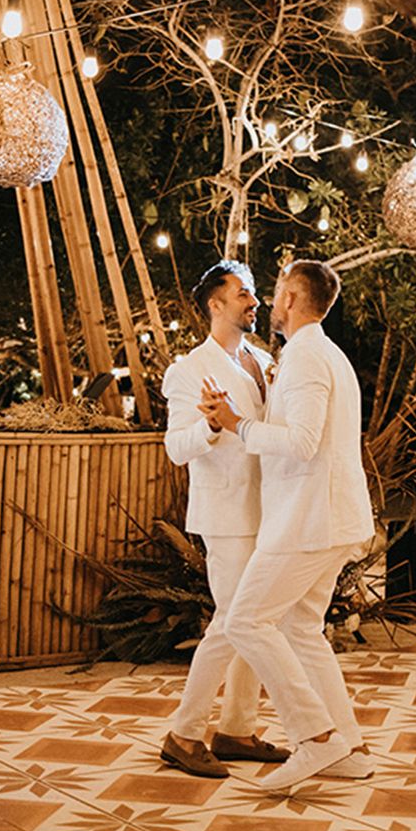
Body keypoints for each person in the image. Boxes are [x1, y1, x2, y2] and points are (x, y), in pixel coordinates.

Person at [200, 259, 375, 792]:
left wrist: (237, 424)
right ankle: (350, 748)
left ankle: (315, 738)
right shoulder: (328, 355)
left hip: (307, 519)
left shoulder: (303, 358)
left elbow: (301, 442)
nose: (270, 303)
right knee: (301, 630)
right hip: (329, 516)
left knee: (246, 620)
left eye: (276, 292)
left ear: (293, 300)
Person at [159, 260, 289, 778]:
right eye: (243, 293)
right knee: (232, 624)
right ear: (215, 304)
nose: (253, 301)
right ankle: (183, 733)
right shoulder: (188, 369)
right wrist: (211, 427)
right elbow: (175, 448)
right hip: (227, 514)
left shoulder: (262, 360)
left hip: (270, 510)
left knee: (251, 623)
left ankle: (236, 727)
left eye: (254, 292)